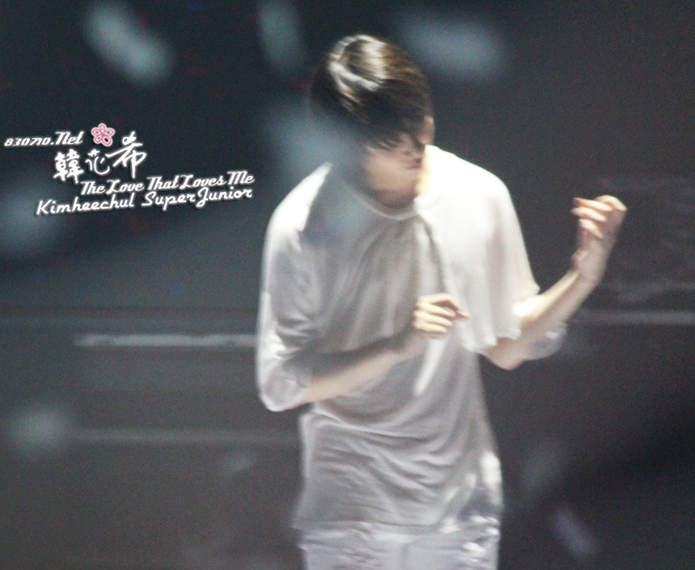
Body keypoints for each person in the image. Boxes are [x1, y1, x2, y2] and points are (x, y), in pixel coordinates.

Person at [255, 34, 625, 570]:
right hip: (353, 509)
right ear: (348, 139)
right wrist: (395, 345)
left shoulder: (478, 194)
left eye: (420, 122)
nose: (415, 144)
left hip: (459, 508)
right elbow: (281, 381)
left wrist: (582, 277)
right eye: (389, 138)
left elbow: (506, 345)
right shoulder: (304, 223)